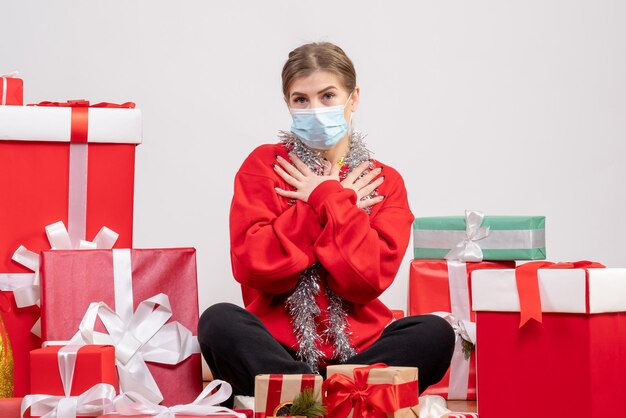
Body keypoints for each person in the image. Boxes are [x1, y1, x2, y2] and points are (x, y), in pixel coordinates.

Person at [198, 42, 455, 401]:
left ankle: (302, 400)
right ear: (287, 103)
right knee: (218, 321)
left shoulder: (384, 181)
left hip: (361, 355)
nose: (314, 109)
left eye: (328, 95)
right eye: (300, 99)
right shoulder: (264, 165)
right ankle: (336, 397)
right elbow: (253, 266)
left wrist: (326, 196)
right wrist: (323, 204)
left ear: (354, 98)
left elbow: (366, 280)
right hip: (277, 352)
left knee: (434, 333)